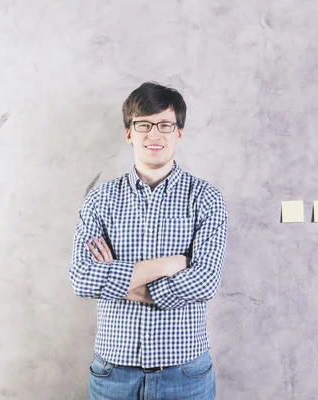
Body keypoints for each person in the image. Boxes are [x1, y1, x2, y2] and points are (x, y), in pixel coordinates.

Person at [68, 81, 228, 399]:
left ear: (178, 132)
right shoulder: (100, 199)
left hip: (185, 374)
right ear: (130, 132)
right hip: (113, 374)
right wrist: (170, 265)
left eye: (165, 125)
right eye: (144, 125)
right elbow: (82, 278)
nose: (154, 134)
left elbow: (206, 281)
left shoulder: (206, 199)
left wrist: (117, 275)